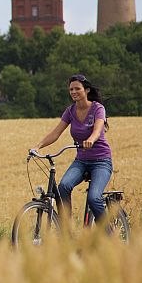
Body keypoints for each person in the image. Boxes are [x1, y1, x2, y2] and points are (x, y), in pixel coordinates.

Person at [31, 74, 113, 222]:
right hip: (81, 161)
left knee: (94, 198)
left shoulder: (97, 108)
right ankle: (66, 230)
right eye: (71, 89)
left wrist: (91, 140)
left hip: (101, 161)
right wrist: (38, 147)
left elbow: (98, 129)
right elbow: (56, 133)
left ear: (86, 90)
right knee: (63, 187)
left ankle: (108, 233)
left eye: (77, 89)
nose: (73, 92)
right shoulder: (70, 111)